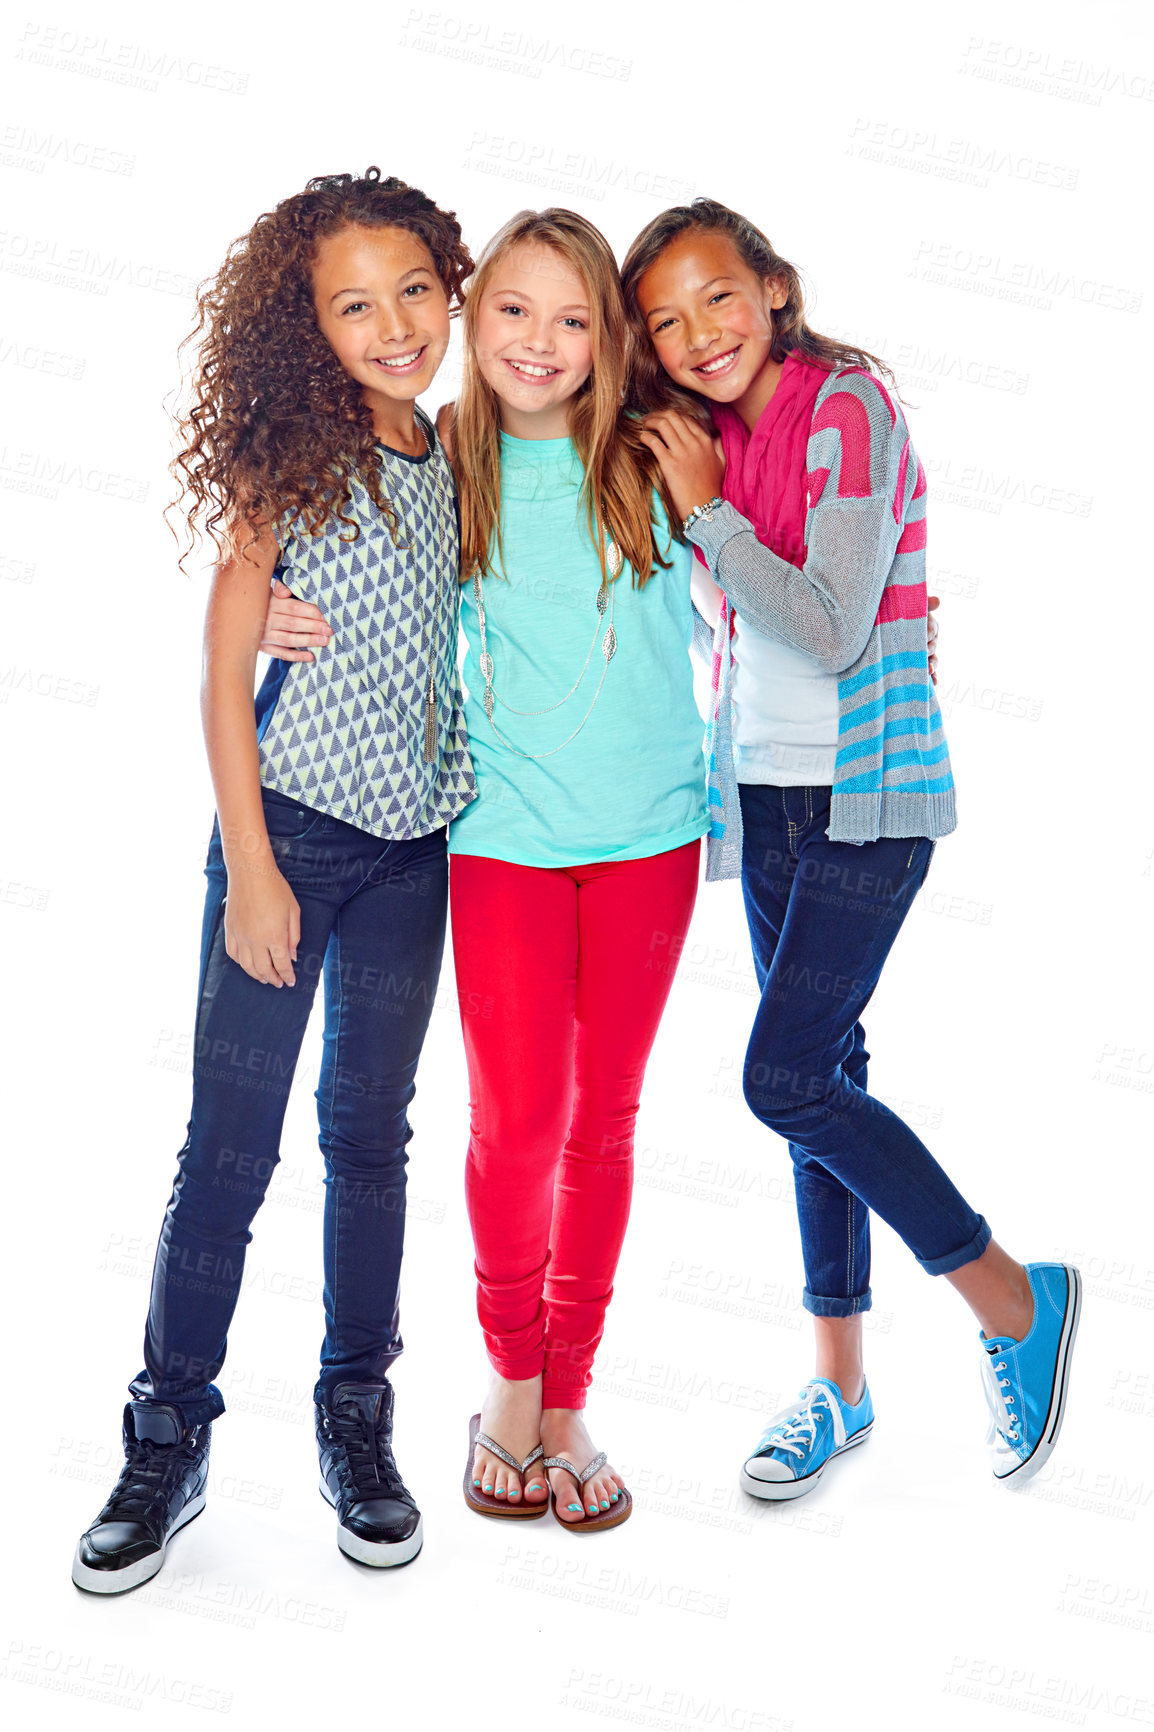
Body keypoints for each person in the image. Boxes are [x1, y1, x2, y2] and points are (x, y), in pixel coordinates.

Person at [621, 198, 1080, 1501]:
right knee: (823, 1076)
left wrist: (706, 513)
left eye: (716, 295)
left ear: (773, 288)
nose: (695, 330)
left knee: (784, 1084)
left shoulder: (846, 410)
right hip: (765, 793)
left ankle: (1011, 1298)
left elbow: (826, 628)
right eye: (663, 318)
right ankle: (835, 1385)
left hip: (865, 800)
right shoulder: (696, 433)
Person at [262, 208, 709, 1530]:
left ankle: (565, 1399)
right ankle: (506, 1383)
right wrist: (272, 607)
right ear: (470, 317)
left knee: (604, 1126)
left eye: (574, 318)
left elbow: (768, 550)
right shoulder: (436, 452)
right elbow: (330, 553)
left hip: (652, 843)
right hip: (502, 840)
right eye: (513, 309)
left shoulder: (652, 456)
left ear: (609, 339)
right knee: (518, 1127)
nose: (541, 341)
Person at [71, 168, 475, 1593]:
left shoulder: (459, 455)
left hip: (414, 857)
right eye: (353, 304)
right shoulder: (291, 464)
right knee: (226, 1154)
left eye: (414, 290)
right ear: (308, 326)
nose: (393, 324)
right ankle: (166, 1435)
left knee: (371, 1146)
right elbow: (219, 673)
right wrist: (250, 868)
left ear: (454, 286)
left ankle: (355, 1419)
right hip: (287, 842)